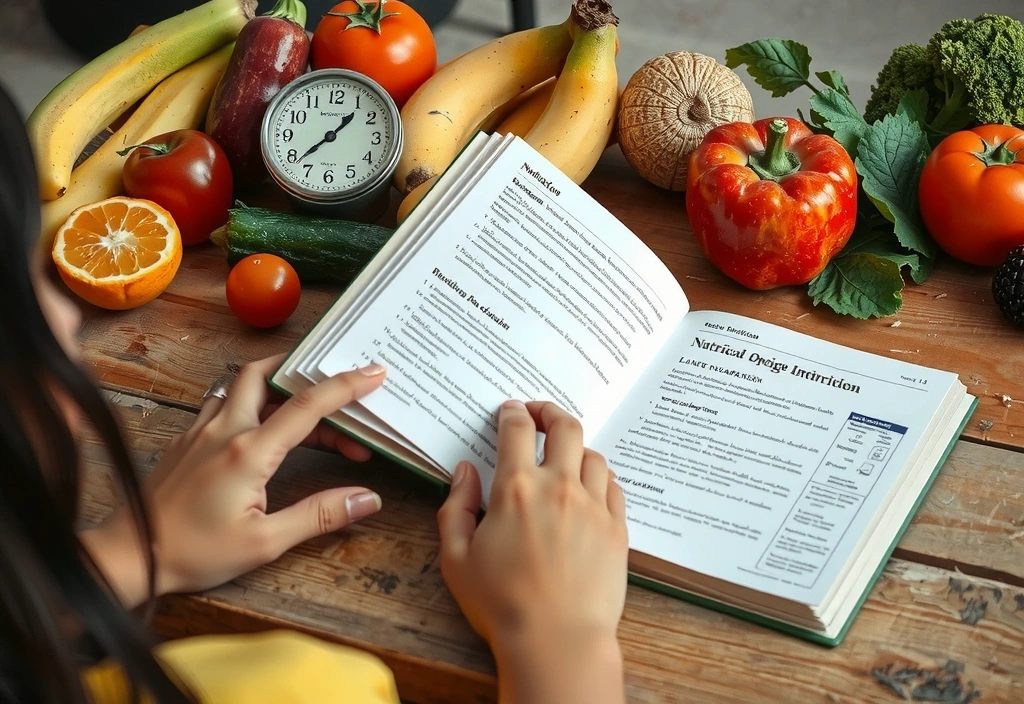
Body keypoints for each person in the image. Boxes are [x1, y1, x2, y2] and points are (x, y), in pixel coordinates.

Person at [0, 80, 629, 704]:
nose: (65, 312)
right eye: (28, 283)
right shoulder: (301, 690)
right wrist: (563, 638)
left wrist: (125, 556)